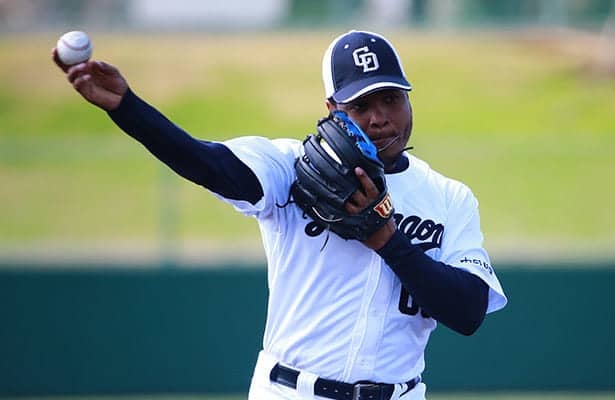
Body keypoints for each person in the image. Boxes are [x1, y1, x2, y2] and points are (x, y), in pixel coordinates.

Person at [54, 30, 507, 400]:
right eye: (360, 106)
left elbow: (468, 313)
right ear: (332, 111)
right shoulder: (291, 168)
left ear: (409, 100)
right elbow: (205, 163)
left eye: (390, 99)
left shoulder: (449, 198)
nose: (379, 118)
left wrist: (388, 240)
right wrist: (128, 109)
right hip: (291, 391)